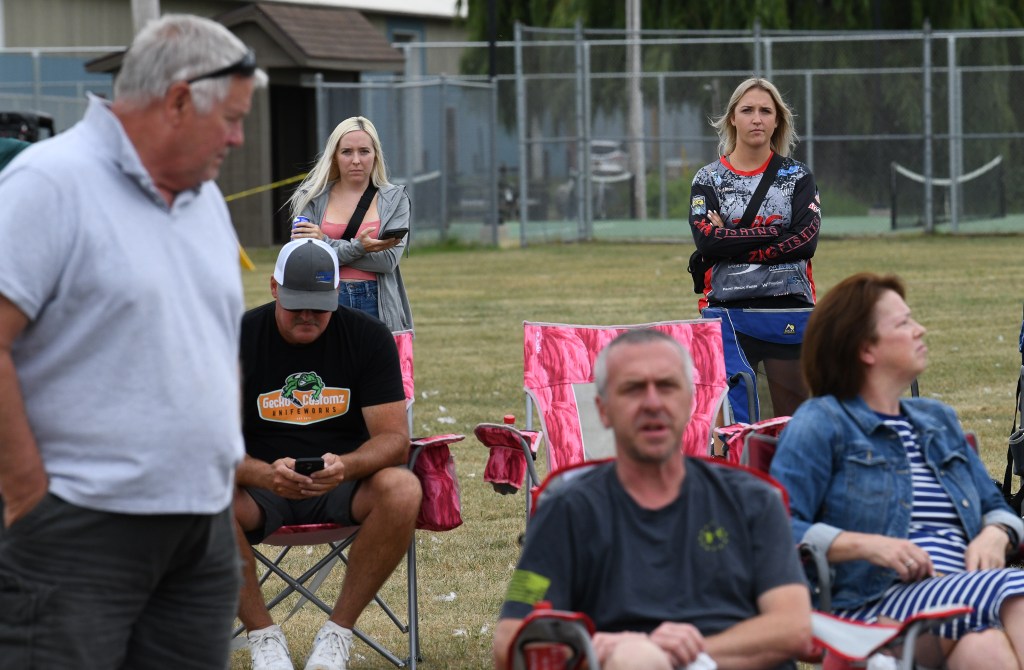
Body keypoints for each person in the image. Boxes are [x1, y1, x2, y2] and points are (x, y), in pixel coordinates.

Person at [0, 14, 266, 669]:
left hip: (202, 531)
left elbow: (211, 339)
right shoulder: (49, 184)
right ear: (177, 101)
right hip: (80, 528)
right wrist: (28, 496)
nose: (237, 138)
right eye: (231, 119)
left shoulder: (205, 199)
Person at [493, 329, 812, 670]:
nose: (652, 403)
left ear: (690, 403)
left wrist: (682, 654)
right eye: (632, 389)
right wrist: (606, 650)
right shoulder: (564, 512)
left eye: (667, 386)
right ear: (603, 410)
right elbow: (510, 639)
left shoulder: (753, 500)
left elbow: (793, 628)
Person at [770, 272, 1024, 669]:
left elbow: (998, 508)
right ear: (865, 349)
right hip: (875, 605)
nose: (920, 329)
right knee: (1017, 588)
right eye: (904, 323)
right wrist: (871, 546)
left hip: (963, 595)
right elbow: (777, 527)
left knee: (985, 649)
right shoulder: (822, 421)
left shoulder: (937, 420)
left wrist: (996, 534)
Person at [235, 238, 420, 670]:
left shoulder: (368, 336)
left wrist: (345, 466)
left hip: (344, 485)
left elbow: (395, 439)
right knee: (200, 492)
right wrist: (265, 475)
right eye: (296, 304)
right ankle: (263, 636)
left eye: (319, 307)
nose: (307, 316)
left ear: (337, 293)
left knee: (403, 489)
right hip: (259, 489)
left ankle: (338, 633)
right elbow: (207, 444)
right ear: (274, 288)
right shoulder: (236, 337)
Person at [689, 77, 821, 421]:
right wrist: (776, 231)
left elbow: (805, 242)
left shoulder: (798, 177)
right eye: (747, 110)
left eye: (766, 111)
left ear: (778, 120)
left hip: (788, 311)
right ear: (733, 117)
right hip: (727, 314)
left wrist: (730, 238)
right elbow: (707, 241)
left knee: (794, 426)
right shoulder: (708, 179)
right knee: (732, 429)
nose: (757, 119)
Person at [288, 116, 412, 333]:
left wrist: (324, 243)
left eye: (364, 151)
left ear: (375, 155)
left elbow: (387, 262)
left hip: (378, 303)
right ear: (335, 156)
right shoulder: (311, 198)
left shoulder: (396, 199)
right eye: (347, 152)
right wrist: (362, 247)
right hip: (325, 302)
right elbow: (306, 260)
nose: (356, 160)